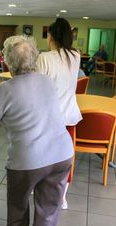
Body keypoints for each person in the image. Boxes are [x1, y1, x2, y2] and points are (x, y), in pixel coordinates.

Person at [0, 35, 73, 226]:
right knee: (48, 208)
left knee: (18, 204)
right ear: (34, 58)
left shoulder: (3, 90)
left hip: (28, 160)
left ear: (7, 61)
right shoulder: (46, 81)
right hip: (62, 154)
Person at [36, 17, 82, 210]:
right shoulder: (76, 55)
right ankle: (62, 198)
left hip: (48, 119)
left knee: (41, 157)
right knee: (65, 159)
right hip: (69, 117)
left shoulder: (44, 58)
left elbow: (36, 86)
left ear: (51, 36)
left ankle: (38, 189)